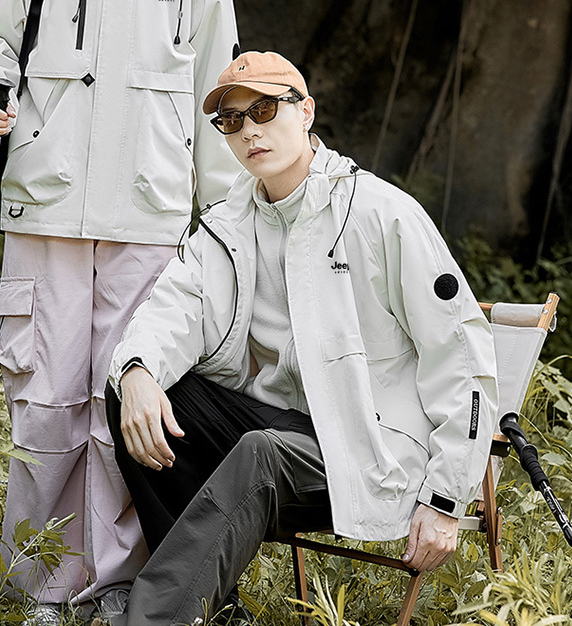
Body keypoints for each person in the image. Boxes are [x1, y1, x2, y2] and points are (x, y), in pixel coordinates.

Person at [0, 0, 241, 625]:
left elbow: (217, 109)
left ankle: (115, 586)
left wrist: (228, 235)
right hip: (45, 212)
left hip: (148, 223)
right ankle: (41, 586)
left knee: (125, 410)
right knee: (45, 403)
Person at [103, 51, 499, 626]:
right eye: (231, 120)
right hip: (279, 429)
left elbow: (461, 357)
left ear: (306, 111)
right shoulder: (227, 222)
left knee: (261, 453)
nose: (249, 131)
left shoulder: (381, 214)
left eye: (264, 110)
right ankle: (207, 604)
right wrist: (138, 371)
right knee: (137, 389)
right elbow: (172, 310)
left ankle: (154, 620)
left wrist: (445, 498)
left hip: (373, 444)